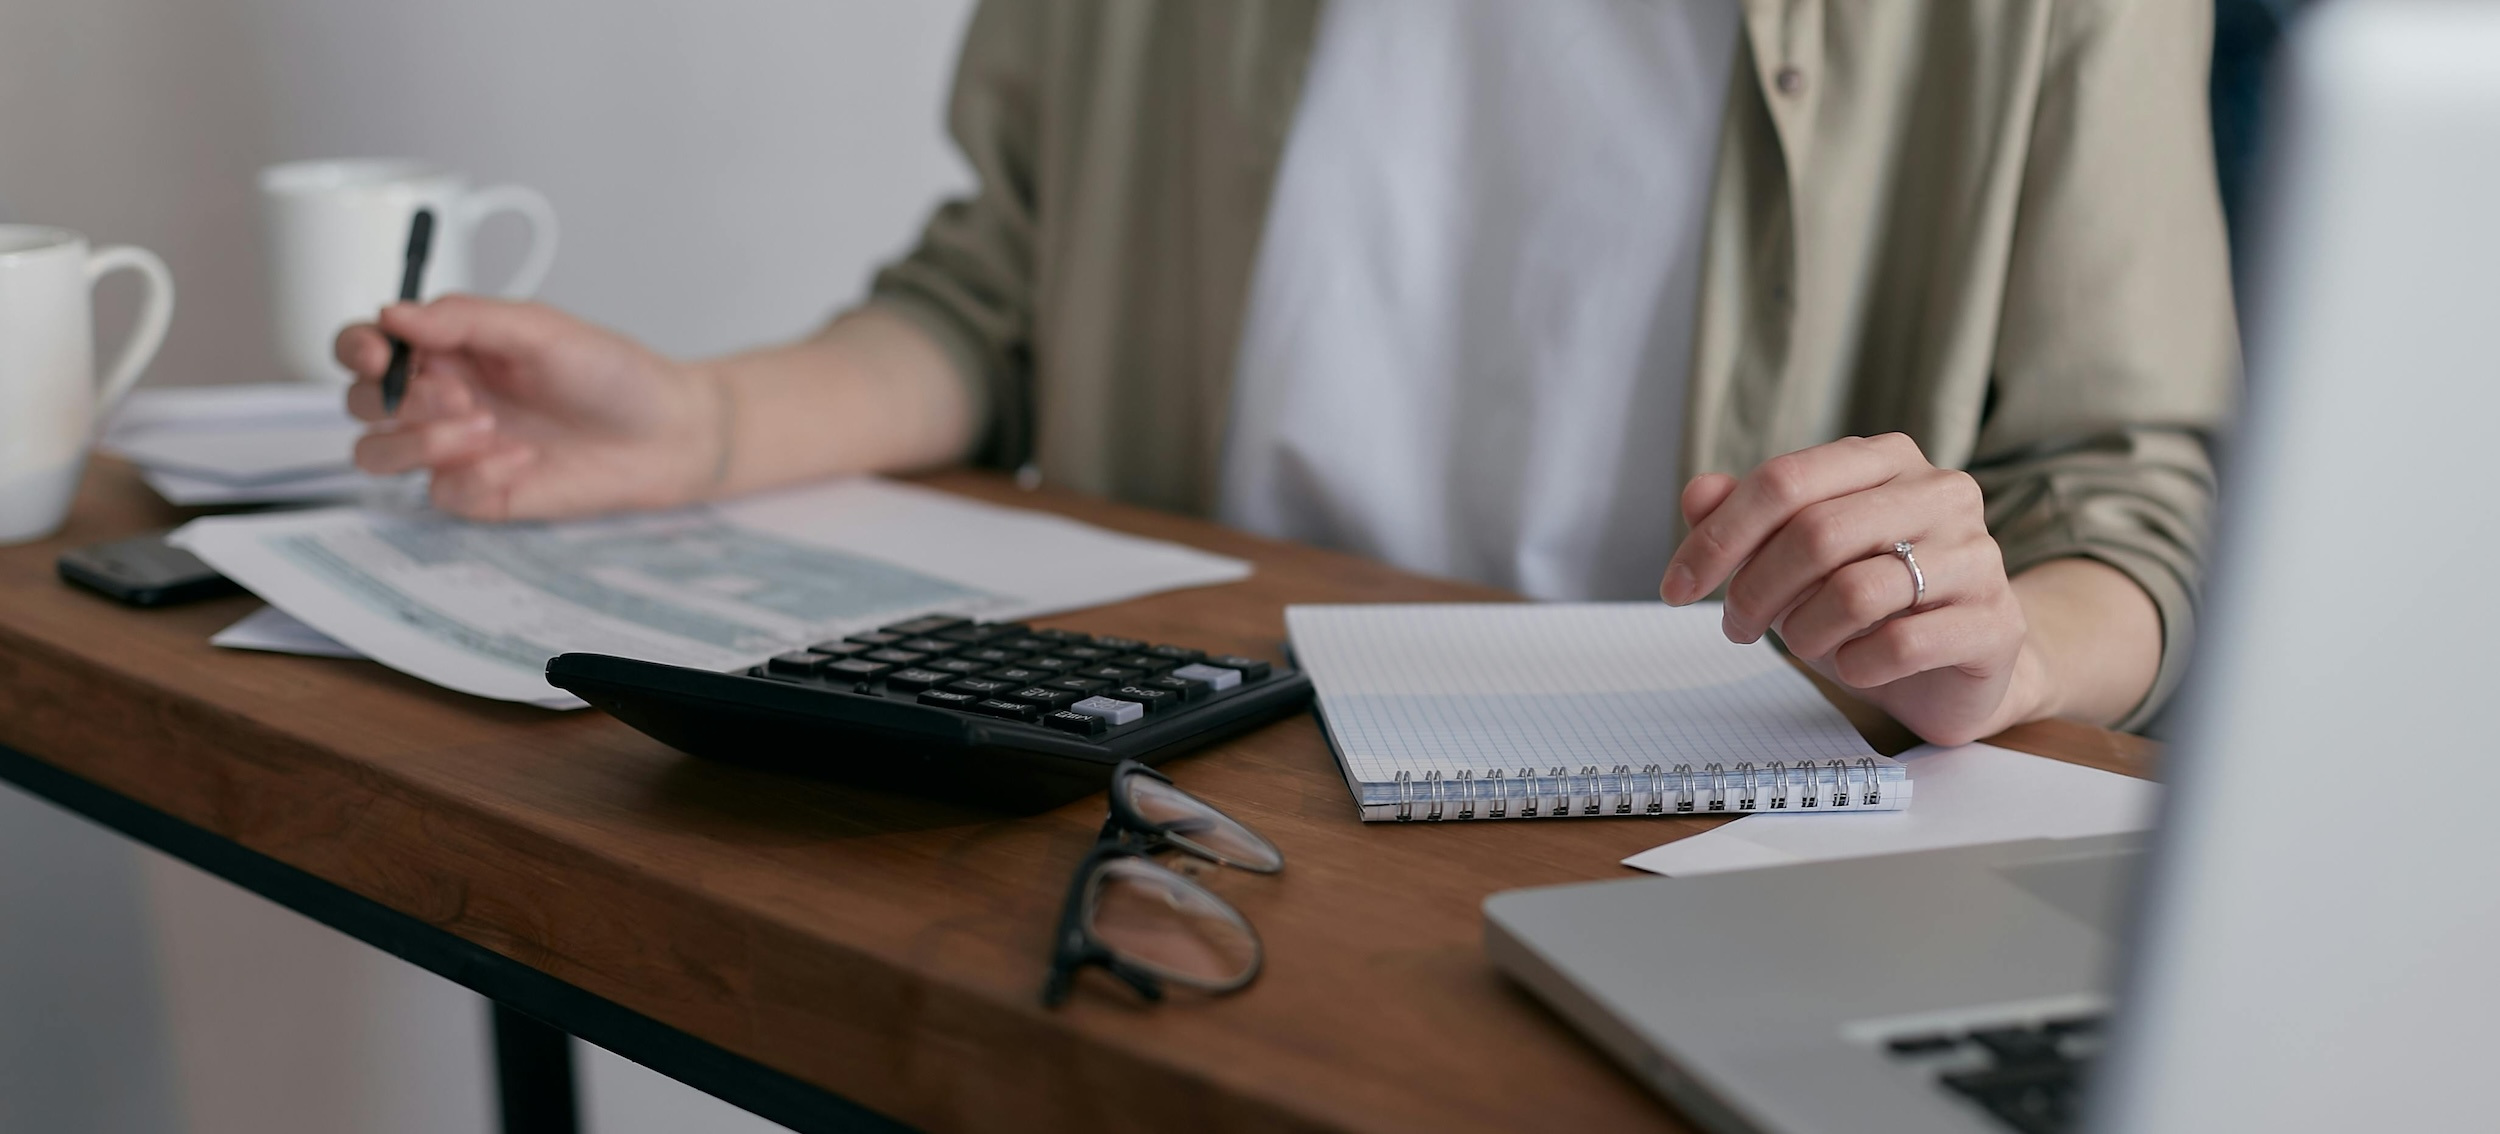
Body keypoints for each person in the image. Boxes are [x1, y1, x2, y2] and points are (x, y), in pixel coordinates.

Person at [335, 0, 2237, 748]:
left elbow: (2132, 504)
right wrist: (710, 421)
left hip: (1695, 802)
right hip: (1177, 766)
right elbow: (1005, 301)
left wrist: (1997, 647)